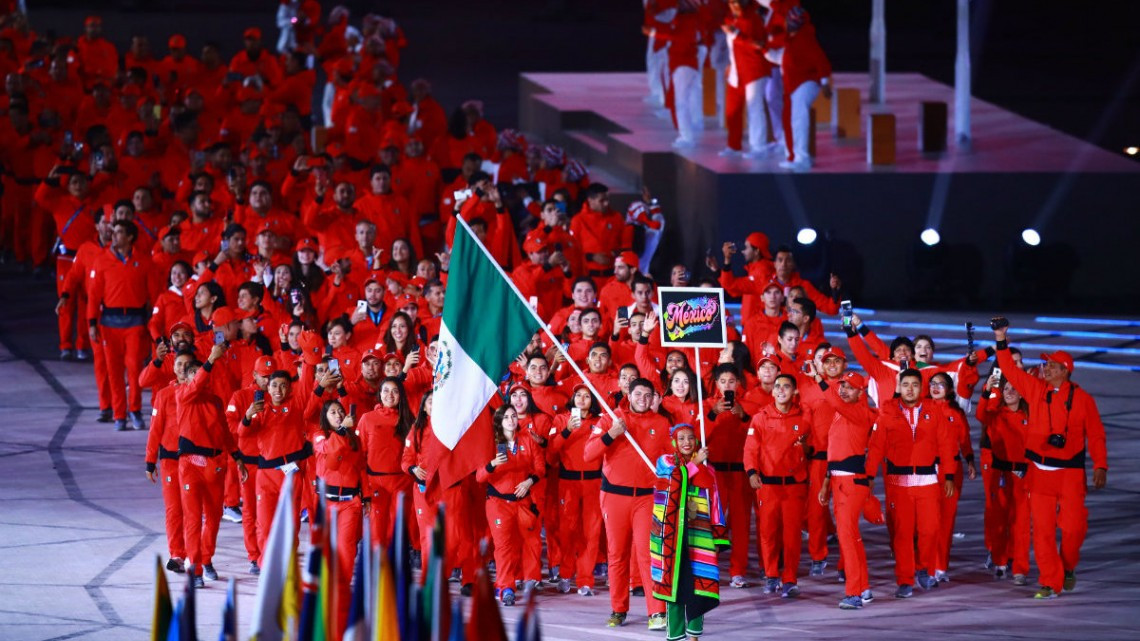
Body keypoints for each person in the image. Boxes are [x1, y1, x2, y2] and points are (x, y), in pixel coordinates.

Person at [992, 319, 1108, 599]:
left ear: (1065, 371)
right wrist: (1000, 338)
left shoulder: (1083, 400)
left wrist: (1100, 465)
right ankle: (1049, 582)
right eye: (1046, 364)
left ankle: (1067, 566)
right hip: (1038, 471)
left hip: (1069, 474)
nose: (1046, 368)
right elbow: (1008, 369)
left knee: (1073, 528)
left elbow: (1096, 434)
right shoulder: (1035, 389)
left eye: (1052, 365)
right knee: (1042, 531)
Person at [583, 377, 673, 630]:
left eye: (648, 395)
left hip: (647, 497)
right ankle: (618, 609)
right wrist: (611, 434)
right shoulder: (611, 419)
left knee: (648, 554)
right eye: (638, 394)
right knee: (617, 554)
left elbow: (670, 459)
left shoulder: (661, 423)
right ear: (629, 395)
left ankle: (657, 612)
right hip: (614, 497)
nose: (643, 399)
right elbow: (588, 454)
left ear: (654, 399)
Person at [864, 368, 956, 598]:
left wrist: (949, 476)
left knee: (930, 530)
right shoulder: (887, 412)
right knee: (903, 534)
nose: (910, 389)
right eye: (906, 385)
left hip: (928, 482)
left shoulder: (934, 411)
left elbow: (946, 445)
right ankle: (905, 580)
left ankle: (923, 568)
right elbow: (876, 447)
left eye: (915, 385)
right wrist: (869, 476)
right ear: (900, 387)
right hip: (899, 483)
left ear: (921, 388)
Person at [649, 423, 728, 641]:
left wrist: (718, 536)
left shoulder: (707, 468)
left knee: (699, 585)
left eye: (691, 438)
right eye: (681, 438)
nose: (687, 442)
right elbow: (674, 481)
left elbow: (715, 503)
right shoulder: (665, 462)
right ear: (674, 441)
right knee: (674, 587)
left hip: (698, 534)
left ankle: (694, 636)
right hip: (672, 536)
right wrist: (694, 464)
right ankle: (675, 635)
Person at [87, 219, 163, 431]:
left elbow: (155, 295)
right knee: (114, 371)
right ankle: (119, 414)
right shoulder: (101, 260)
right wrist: (91, 322)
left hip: (135, 323)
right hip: (108, 324)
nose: (114, 235)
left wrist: (155, 322)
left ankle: (135, 410)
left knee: (134, 369)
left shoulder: (144, 261)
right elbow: (93, 296)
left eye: (119, 232)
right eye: (114, 231)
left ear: (130, 237)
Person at [814, 370, 881, 609]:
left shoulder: (858, 412)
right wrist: (826, 483)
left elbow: (833, 401)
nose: (843, 390)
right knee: (852, 537)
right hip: (840, 481)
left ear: (861, 393)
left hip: (850, 483)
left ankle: (853, 593)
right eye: (842, 386)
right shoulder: (842, 413)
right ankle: (863, 588)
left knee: (847, 538)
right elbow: (835, 451)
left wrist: (819, 380)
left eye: (850, 387)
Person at [745, 372, 812, 597]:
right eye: (777, 386)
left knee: (792, 535)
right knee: (768, 533)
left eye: (786, 386)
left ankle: (790, 579)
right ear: (772, 391)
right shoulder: (760, 418)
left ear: (794, 391)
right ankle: (772, 575)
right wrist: (751, 472)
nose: (781, 390)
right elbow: (750, 448)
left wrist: (806, 448)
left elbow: (813, 448)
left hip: (794, 486)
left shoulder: (804, 418)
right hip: (768, 485)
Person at [476, 405, 544, 606]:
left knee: (530, 541)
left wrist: (529, 481)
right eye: (506, 417)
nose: (511, 420)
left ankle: (530, 579)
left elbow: (540, 467)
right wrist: (492, 464)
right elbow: (479, 476)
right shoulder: (490, 443)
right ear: (499, 421)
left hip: (523, 501)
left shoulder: (527, 439)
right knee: (504, 546)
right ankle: (506, 587)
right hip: (498, 503)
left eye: (514, 416)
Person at [312, 399, 365, 633]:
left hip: (349, 503)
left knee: (346, 547)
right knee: (324, 547)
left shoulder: (355, 438)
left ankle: (342, 586)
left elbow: (362, 468)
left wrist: (366, 497)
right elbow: (330, 454)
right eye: (333, 412)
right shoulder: (319, 436)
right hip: (326, 502)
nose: (338, 414)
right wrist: (342, 430)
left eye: (340, 411)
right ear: (325, 417)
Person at [548, 384, 605, 596]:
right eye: (578, 395)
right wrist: (567, 430)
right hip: (568, 482)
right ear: (572, 398)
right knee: (567, 531)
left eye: (586, 396)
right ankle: (565, 575)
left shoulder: (600, 421)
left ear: (593, 400)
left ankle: (585, 580)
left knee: (591, 532)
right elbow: (551, 452)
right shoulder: (561, 419)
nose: (581, 399)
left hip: (593, 482)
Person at [975, 370, 1031, 585]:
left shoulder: (1029, 417)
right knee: (999, 520)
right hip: (1000, 475)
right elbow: (980, 414)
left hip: (1022, 475)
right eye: (1006, 389)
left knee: (1021, 524)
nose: (1009, 392)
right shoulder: (995, 415)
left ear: (1022, 394)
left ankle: (1020, 569)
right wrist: (988, 390)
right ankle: (999, 562)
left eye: (1014, 389)